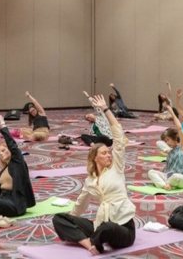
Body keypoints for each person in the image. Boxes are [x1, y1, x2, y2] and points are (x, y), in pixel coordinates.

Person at [52, 95, 136, 255]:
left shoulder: (116, 168)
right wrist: (70, 221)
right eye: (104, 153)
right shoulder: (90, 180)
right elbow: (80, 205)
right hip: (100, 225)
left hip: (123, 228)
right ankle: (89, 243)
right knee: (59, 218)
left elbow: (118, 136)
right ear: (95, 157)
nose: (109, 155)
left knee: (107, 226)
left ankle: (96, 241)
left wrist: (105, 109)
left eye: (108, 152)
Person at [148, 102, 183, 190]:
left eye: (168, 140)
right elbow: (168, 169)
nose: (167, 143)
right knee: (151, 172)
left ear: (174, 138)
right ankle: (165, 185)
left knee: (175, 177)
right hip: (169, 177)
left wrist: (171, 111)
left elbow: (179, 128)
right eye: (165, 141)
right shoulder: (171, 152)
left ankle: (165, 184)